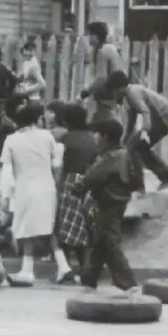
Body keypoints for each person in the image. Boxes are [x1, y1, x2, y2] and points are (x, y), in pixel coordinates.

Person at [0, 103, 73, 286]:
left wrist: (5, 196)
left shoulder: (11, 140)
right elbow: (57, 165)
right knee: (49, 227)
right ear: (36, 119)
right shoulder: (47, 136)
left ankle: (27, 270)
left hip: (24, 187)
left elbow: (7, 171)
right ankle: (63, 266)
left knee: (26, 229)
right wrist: (55, 182)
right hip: (47, 186)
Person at [72, 120, 143, 294]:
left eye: (97, 134)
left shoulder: (108, 159)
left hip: (107, 203)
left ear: (105, 136)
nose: (95, 138)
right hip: (119, 202)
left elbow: (89, 178)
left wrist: (77, 188)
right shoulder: (125, 154)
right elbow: (136, 180)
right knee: (100, 241)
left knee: (111, 242)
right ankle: (89, 281)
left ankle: (129, 284)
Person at [105, 70, 168, 190]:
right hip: (160, 120)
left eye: (114, 92)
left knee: (135, 148)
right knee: (133, 146)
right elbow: (132, 121)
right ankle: (164, 175)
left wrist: (145, 132)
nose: (114, 96)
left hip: (164, 119)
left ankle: (140, 185)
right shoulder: (129, 96)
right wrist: (124, 140)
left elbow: (145, 111)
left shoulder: (133, 93)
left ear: (120, 88)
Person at [56, 103, 98, 276]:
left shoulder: (65, 139)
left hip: (69, 182)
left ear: (66, 120)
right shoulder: (92, 138)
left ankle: (65, 269)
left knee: (65, 226)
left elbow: (59, 165)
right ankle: (86, 269)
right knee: (87, 227)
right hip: (90, 181)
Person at [78, 21, 122, 124]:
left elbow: (101, 78)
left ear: (95, 35)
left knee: (101, 126)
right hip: (114, 96)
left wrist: (85, 93)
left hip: (105, 98)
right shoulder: (110, 48)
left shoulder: (102, 50)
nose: (88, 38)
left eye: (89, 35)